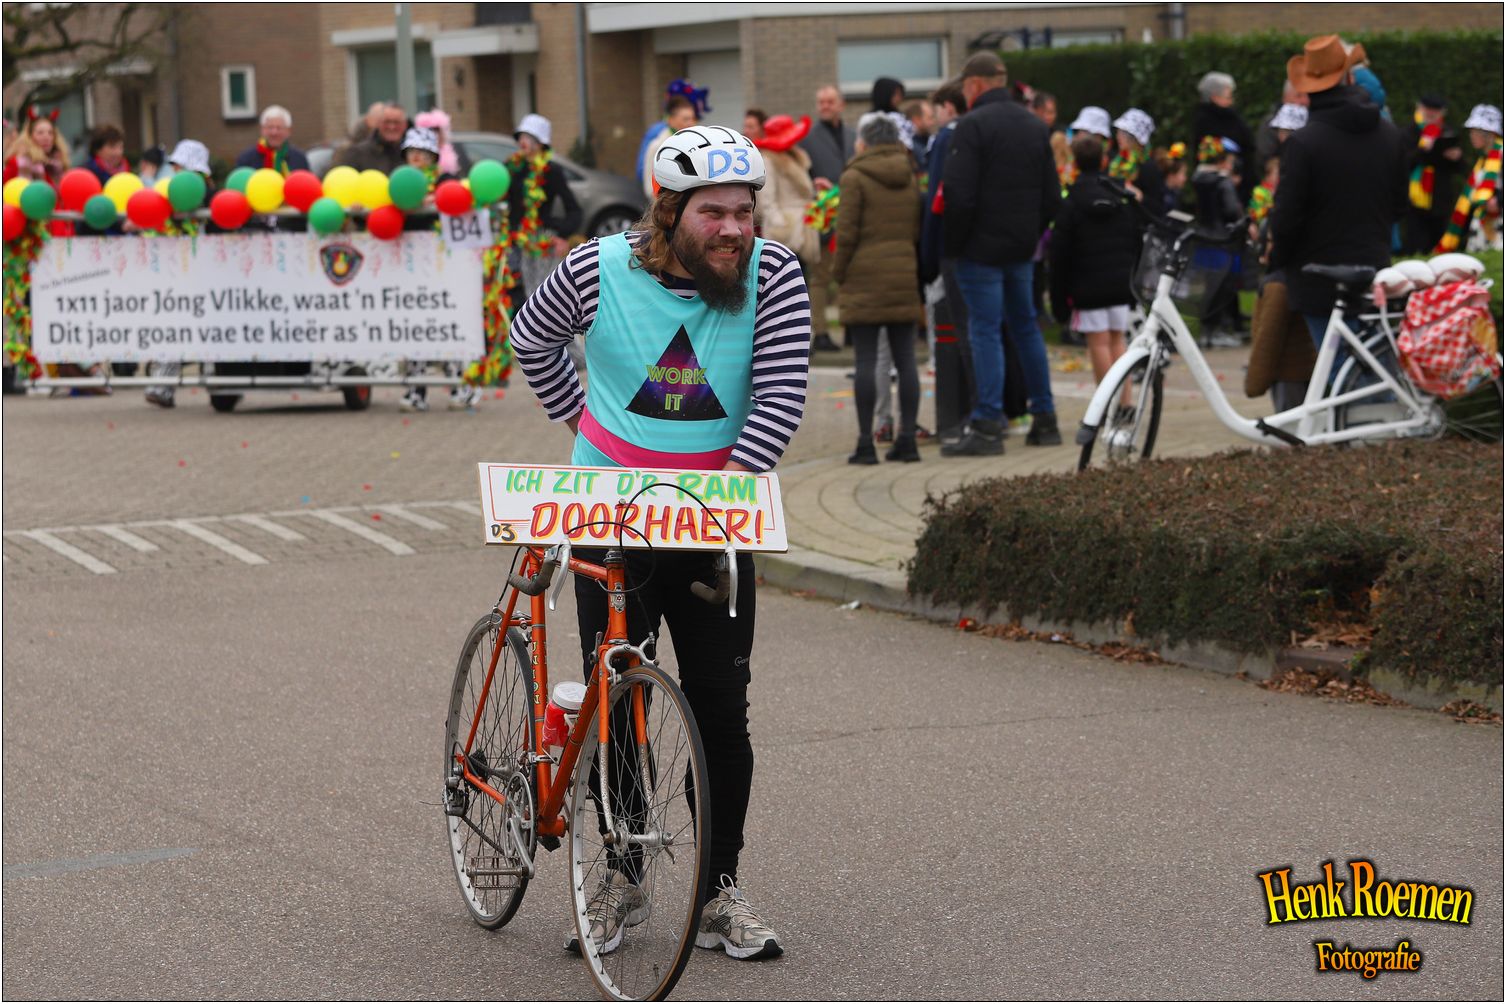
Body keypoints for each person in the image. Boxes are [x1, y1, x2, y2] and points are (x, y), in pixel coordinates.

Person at [511, 124, 808, 962]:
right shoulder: (596, 267)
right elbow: (531, 337)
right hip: (610, 513)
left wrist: (716, 500)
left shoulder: (775, 274)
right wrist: (582, 426)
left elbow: (781, 392)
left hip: (714, 519)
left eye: (744, 211)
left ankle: (718, 892)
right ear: (669, 211)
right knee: (620, 703)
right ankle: (623, 876)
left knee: (721, 710)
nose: (734, 229)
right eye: (715, 213)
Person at [941, 51, 1062, 455]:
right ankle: (1045, 417)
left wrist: (955, 247)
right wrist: (1030, 234)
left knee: (985, 331)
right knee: (1026, 328)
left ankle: (988, 424)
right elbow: (1052, 195)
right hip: (1021, 248)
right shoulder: (1034, 125)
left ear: (975, 84)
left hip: (980, 250)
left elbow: (958, 195)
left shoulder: (971, 125)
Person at [1269, 34, 1406, 345]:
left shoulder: (1303, 143)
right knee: (1371, 360)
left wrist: (1278, 259)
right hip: (1374, 270)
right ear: (1349, 77)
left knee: (1336, 367)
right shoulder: (1389, 135)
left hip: (1317, 276)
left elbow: (1286, 218)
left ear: (1307, 88)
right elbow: (1399, 206)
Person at [834, 112, 923, 464]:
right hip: (903, 275)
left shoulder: (854, 176)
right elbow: (915, 229)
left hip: (864, 278)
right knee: (907, 360)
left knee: (867, 361)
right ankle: (908, 440)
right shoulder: (909, 175)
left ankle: (865, 444)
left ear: (865, 142)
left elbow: (846, 234)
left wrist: (839, 273)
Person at [1050, 133, 1140, 415]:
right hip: (1119, 282)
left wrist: (1059, 297)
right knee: (1118, 340)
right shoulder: (1119, 196)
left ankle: (1105, 404)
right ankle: (1126, 402)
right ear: (1103, 160)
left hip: (1087, 285)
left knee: (1098, 343)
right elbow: (1134, 237)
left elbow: (1059, 252)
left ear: (1075, 162)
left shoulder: (1071, 201)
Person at [920, 81, 975, 444]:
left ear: (948, 108)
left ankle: (962, 415)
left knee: (957, 330)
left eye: (937, 109)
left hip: (950, 250)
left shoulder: (944, 140)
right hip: (981, 248)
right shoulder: (976, 133)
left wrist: (929, 255)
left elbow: (935, 201)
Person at [143, 140, 216, 408]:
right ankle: (162, 385)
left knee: (208, 329)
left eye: (180, 165)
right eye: (174, 165)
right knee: (173, 324)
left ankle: (218, 386)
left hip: (205, 272)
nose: (175, 170)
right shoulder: (170, 193)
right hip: (177, 271)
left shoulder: (207, 194)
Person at [798, 84, 855, 352]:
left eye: (830, 101)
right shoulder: (808, 139)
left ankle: (851, 328)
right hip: (823, 215)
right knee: (820, 276)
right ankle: (820, 332)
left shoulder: (853, 135)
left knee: (851, 274)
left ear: (841, 104)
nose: (825, 106)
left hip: (851, 212)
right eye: (821, 102)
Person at [1192, 135, 1246, 347]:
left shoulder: (1198, 179)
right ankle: (1218, 329)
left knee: (1209, 285)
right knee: (1224, 285)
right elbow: (1232, 210)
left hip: (1203, 237)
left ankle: (1206, 330)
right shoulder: (1223, 182)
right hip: (1222, 238)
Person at [1435, 104, 1502, 254]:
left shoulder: (1500, 154)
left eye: (1475, 132)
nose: (1471, 135)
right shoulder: (1483, 160)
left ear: (1489, 134)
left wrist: (1499, 200)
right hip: (1481, 227)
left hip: (1497, 227)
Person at [1403, 96, 1465, 254]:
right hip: (1414, 198)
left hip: (1440, 197)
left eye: (1435, 111)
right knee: (1415, 241)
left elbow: (1459, 168)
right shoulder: (1409, 131)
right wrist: (1422, 149)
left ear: (1442, 112)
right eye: (1427, 109)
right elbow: (1403, 163)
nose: (1431, 114)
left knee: (1439, 241)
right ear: (1419, 108)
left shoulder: (1447, 131)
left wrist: (1456, 157)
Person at [4, 108, 71, 236]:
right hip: (28, 231)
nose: (46, 137)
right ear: (30, 136)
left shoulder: (59, 165)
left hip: (59, 229)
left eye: (50, 133)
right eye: (40, 133)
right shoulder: (18, 164)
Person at [1191, 72, 1256, 201]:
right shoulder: (1205, 121)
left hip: (1240, 182)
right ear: (1215, 97)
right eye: (1228, 97)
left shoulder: (1232, 117)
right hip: (1219, 187)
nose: (1231, 101)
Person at [1110, 108, 1166, 214]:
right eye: (1118, 132)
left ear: (1135, 138)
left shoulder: (1147, 166)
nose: (1118, 136)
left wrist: (1141, 197)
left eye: (1123, 133)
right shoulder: (1117, 160)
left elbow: (1158, 208)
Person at [642, 96, 697, 199]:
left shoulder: (696, 143)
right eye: (686, 119)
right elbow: (650, 186)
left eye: (693, 119)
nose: (691, 123)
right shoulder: (658, 146)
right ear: (671, 120)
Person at [234, 105, 311, 176]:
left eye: (279, 128)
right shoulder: (246, 159)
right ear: (262, 130)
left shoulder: (299, 159)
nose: (274, 132)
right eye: (270, 127)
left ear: (289, 131)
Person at [336, 102, 406, 173]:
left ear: (404, 125)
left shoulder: (409, 154)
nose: (392, 127)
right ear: (379, 123)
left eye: (397, 122)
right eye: (387, 122)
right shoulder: (357, 154)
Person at [414, 108, 461, 176]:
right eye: (430, 131)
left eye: (437, 131)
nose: (435, 135)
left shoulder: (452, 153)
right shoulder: (414, 155)